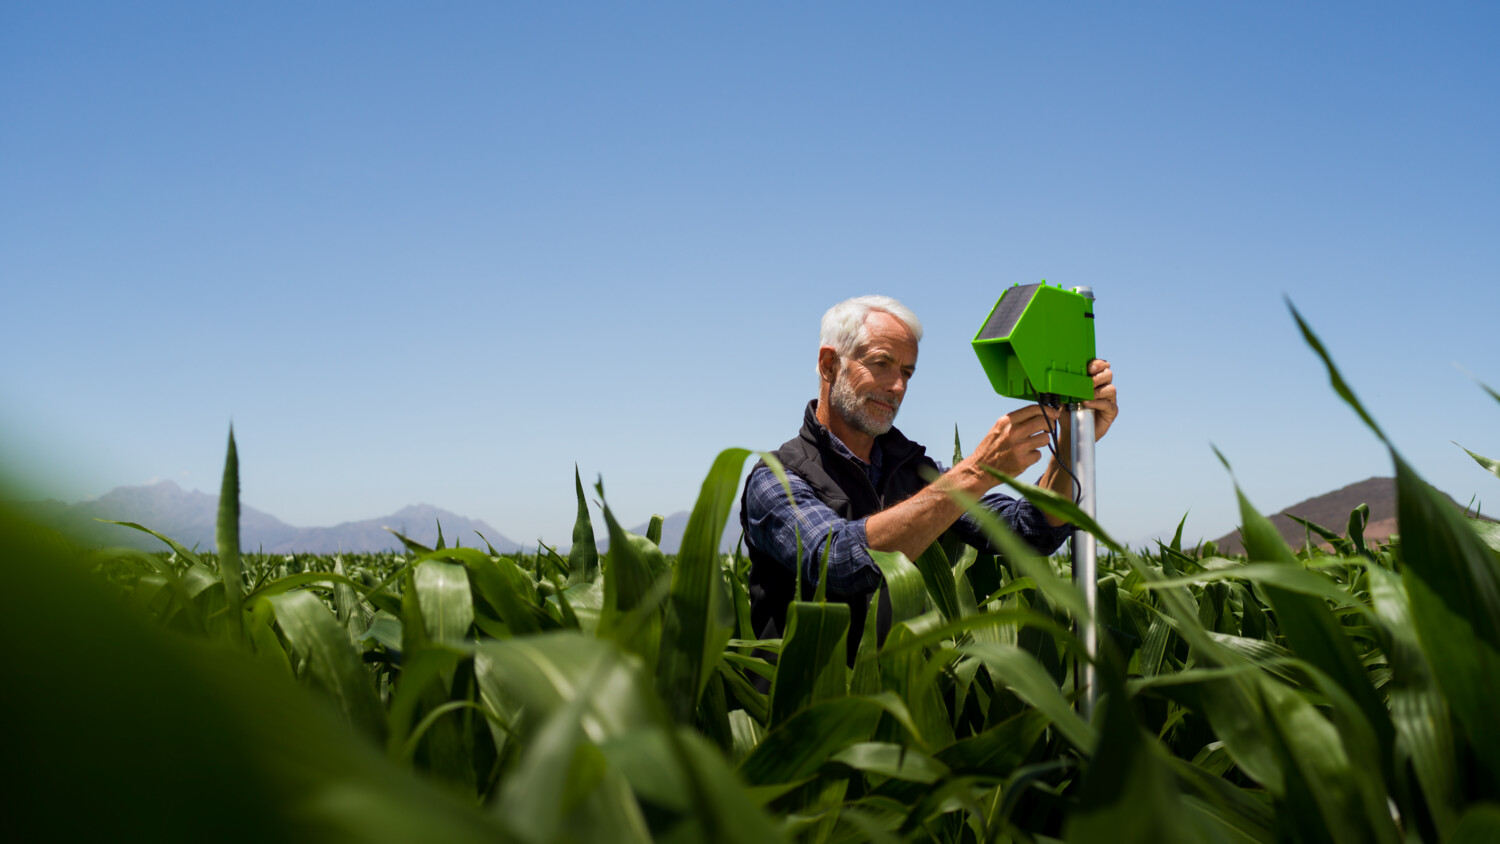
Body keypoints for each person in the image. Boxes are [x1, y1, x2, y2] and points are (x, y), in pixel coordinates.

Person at [739, 294, 1118, 664]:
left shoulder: (913, 469)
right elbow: (838, 561)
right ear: (829, 365)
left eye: (906, 372)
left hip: (904, 714)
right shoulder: (777, 478)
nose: (898, 386)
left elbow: (1028, 530)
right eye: (881, 363)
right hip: (810, 719)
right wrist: (975, 472)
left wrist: (1071, 444)